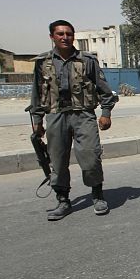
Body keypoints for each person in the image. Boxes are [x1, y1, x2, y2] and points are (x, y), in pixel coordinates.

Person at [29, 19, 118, 221]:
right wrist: (37, 120)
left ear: (73, 36)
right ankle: (63, 200)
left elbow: (104, 90)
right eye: (60, 34)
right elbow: (37, 93)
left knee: (90, 156)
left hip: (83, 115)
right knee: (57, 160)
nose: (65, 37)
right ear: (52, 37)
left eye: (68, 34)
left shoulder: (87, 60)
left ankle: (97, 195)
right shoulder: (42, 62)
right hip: (55, 116)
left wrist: (106, 113)